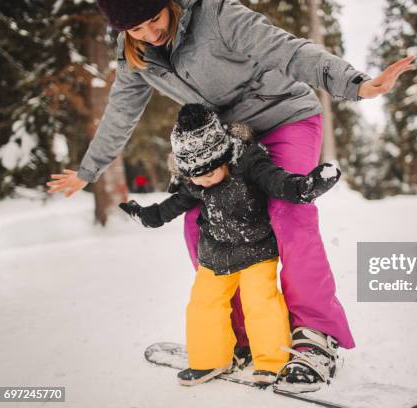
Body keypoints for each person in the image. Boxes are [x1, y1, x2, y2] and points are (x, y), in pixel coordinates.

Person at [46, 0, 414, 391]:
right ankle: (244, 335)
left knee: (289, 211)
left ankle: (315, 335)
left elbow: (287, 49)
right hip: (223, 141)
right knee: (198, 226)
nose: (150, 34)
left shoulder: (218, 15)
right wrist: (88, 170)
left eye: (155, 19)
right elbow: (121, 111)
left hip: (283, 117)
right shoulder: (136, 54)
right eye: (136, 29)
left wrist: (355, 83)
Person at [119, 103, 342, 386]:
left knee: (260, 303)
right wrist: (148, 216)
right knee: (203, 305)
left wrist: (304, 187)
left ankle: (271, 362)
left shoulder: (248, 162)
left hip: (256, 252)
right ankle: (209, 360)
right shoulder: (195, 180)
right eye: (195, 175)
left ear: (222, 154)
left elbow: (277, 181)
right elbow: (174, 205)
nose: (204, 180)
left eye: (211, 171)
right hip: (214, 256)